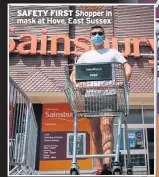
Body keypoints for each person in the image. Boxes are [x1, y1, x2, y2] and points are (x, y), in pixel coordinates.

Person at [70, 25, 132, 175]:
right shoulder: (85, 56)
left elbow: (127, 67)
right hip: (91, 96)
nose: (97, 35)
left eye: (100, 33)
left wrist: (123, 81)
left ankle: (107, 164)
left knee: (106, 126)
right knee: (95, 132)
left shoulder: (113, 53)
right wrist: (77, 84)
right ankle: (99, 167)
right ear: (89, 36)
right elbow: (73, 74)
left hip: (108, 94)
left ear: (104, 36)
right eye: (94, 33)